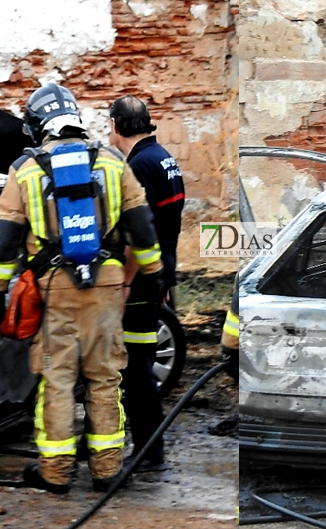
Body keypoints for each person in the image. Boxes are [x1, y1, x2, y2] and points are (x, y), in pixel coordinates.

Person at [0, 83, 166, 493]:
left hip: (54, 288)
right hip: (106, 283)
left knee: (59, 379)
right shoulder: (113, 162)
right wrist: (153, 272)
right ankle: (106, 470)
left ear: (38, 126)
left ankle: (56, 473)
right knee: (104, 377)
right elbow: (141, 225)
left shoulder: (26, 169)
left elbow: (5, 239)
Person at [107, 96, 184, 471]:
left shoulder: (137, 167)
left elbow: (142, 234)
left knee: (135, 372)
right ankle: (149, 449)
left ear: (117, 126)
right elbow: (170, 227)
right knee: (142, 366)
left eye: (110, 125)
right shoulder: (165, 159)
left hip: (139, 285)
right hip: (160, 276)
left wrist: (124, 284)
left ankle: (148, 453)